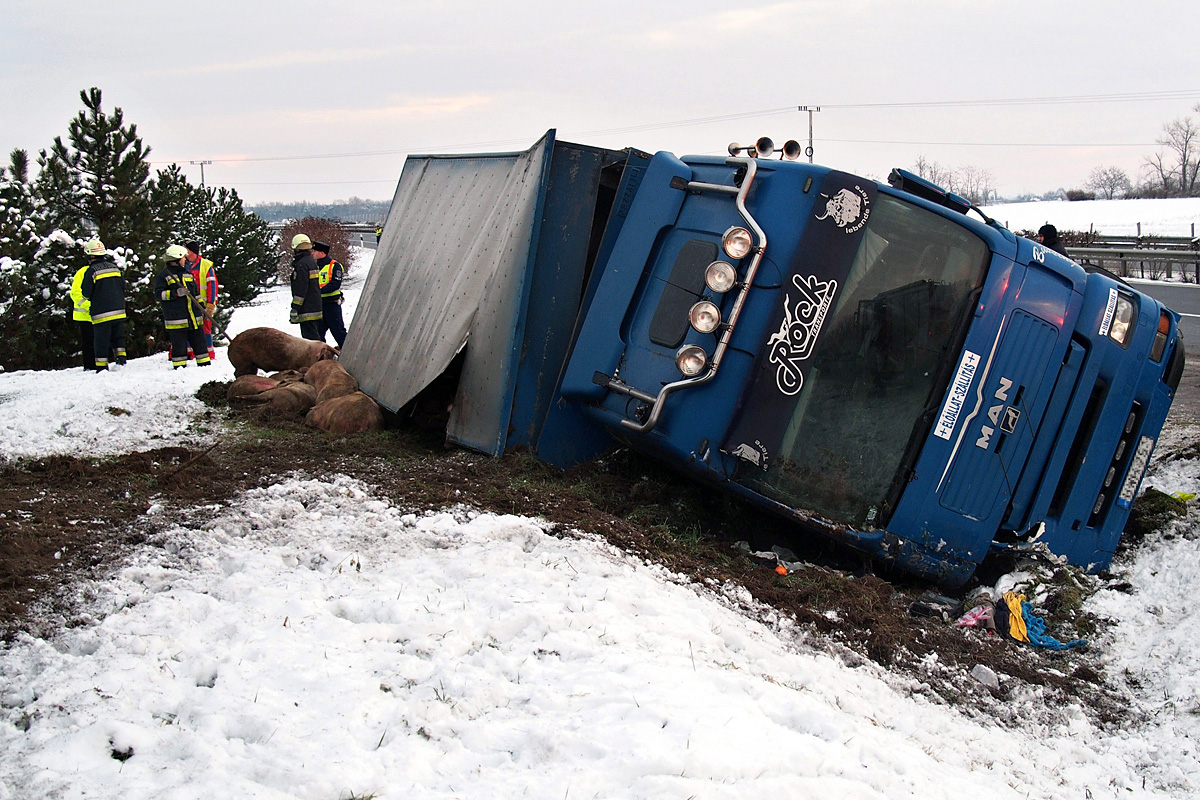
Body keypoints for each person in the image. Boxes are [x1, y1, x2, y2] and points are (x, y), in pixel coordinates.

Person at [154, 244, 211, 368]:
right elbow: (159, 294)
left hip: (194, 318)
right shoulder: (164, 276)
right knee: (179, 348)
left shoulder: (187, 274)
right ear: (176, 260)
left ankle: (205, 367)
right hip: (177, 320)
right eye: (183, 258)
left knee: (201, 346)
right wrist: (175, 293)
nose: (185, 260)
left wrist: (203, 309)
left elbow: (196, 295)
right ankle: (179, 369)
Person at [79, 239, 127, 371]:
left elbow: (86, 293)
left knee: (101, 340)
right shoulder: (115, 268)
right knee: (118, 338)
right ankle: (121, 362)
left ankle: (101, 367)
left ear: (90, 255)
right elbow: (123, 286)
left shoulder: (91, 271)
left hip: (102, 313)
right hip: (119, 310)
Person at [184, 241, 219, 361]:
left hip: (203, 305)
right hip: (187, 305)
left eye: (187, 250)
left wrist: (210, 305)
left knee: (205, 329)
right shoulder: (183, 264)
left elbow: (212, 286)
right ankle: (189, 354)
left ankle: (208, 353)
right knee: (188, 329)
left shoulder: (205, 265)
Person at [313, 240, 347, 347]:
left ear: (322, 252)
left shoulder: (335, 266)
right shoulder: (314, 266)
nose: (312, 253)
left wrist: (318, 291)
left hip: (332, 304)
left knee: (338, 332)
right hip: (319, 305)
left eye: (315, 251)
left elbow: (335, 284)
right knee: (318, 335)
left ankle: (347, 352)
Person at [289, 233, 323, 340]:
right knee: (315, 338)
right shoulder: (311, 261)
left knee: (311, 342)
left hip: (307, 310)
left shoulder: (301, 265)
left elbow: (300, 289)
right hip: (315, 307)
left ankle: (320, 357)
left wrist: (295, 308)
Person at [69, 262, 94, 371]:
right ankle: (89, 366)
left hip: (97, 314)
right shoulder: (83, 272)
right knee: (88, 342)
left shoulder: (98, 271)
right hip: (85, 315)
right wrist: (89, 306)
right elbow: (75, 293)